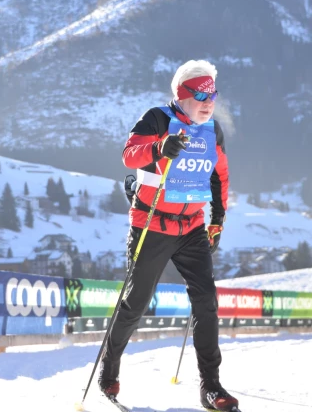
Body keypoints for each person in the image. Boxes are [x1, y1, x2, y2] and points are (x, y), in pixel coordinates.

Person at [99, 60, 237, 412]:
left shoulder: (212, 132)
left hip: (191, 227)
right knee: (135, 303)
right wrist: (160, 149)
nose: (209, 102)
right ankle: (109, 368)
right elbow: (129, 155)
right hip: (152, 224)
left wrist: (217, 220)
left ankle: (211, 386)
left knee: (206, 301)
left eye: (213, 95)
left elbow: (219, 176)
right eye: (201, 95)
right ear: (182, 94)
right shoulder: (158, 119)